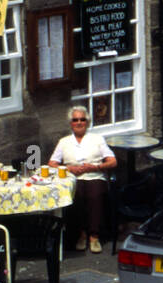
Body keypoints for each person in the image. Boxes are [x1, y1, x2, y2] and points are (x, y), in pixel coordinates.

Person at [50, 107, 116, 253]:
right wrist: (69, 169)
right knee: (76, 196)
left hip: (94, 175)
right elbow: (52, 164)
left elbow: (112, 161)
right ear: (70, 123)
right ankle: (81, 234)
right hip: (73, 178)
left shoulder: (97, 139)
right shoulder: (64, 142)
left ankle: (94, 236)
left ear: (87, 122)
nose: (79, 123)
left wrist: (96, 167)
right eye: (75, 120)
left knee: (94, 195)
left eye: (82, 119)